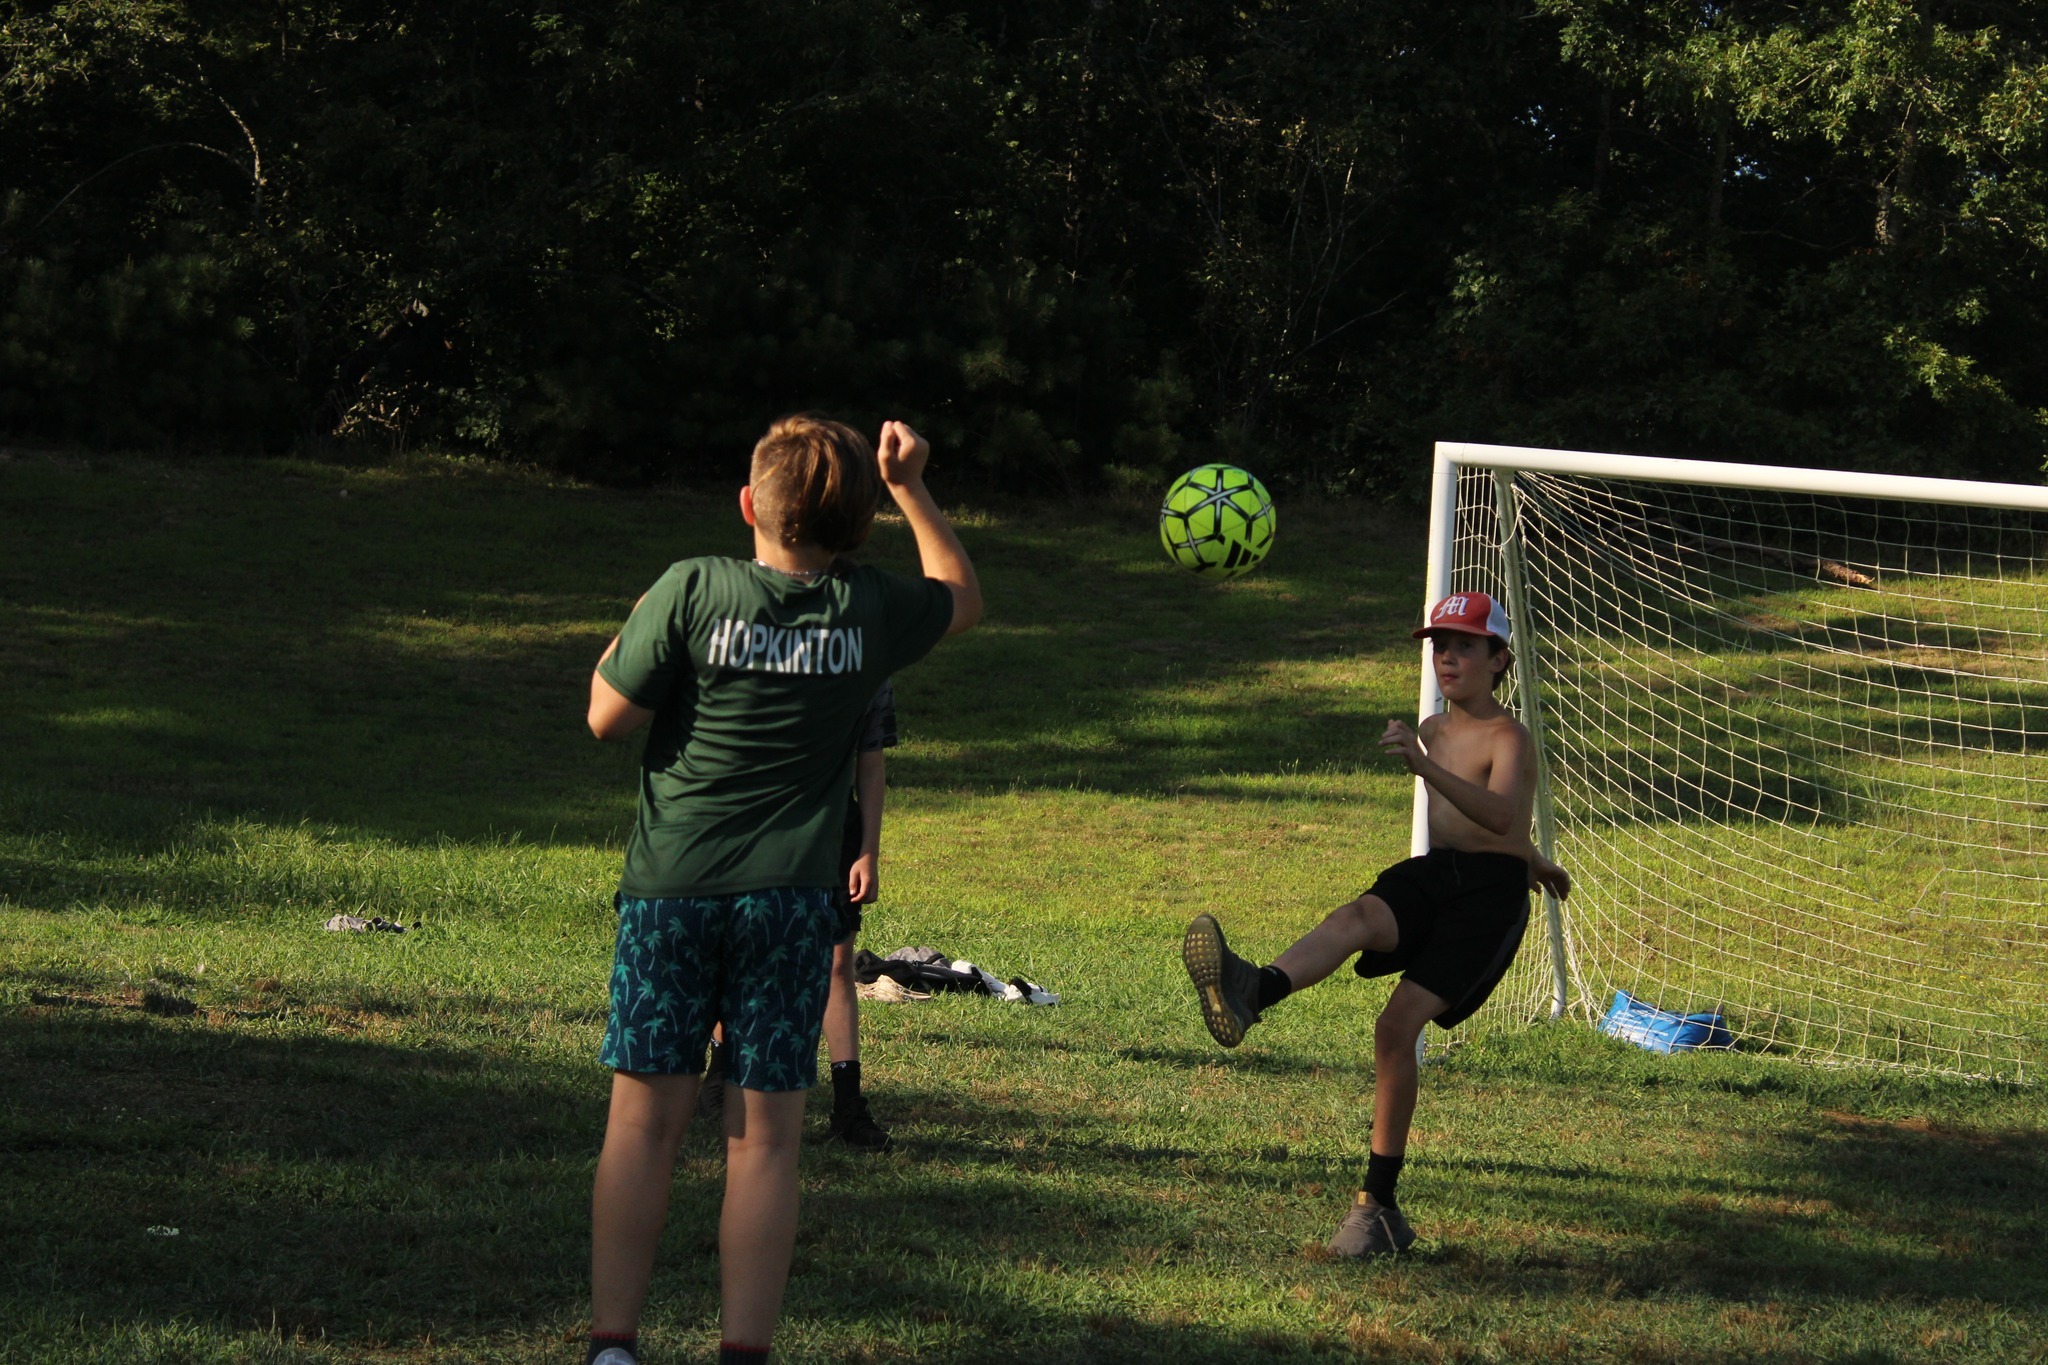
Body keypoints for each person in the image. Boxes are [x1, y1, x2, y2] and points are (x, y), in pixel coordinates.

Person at [583, 416, 980, 1365]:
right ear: (854, 526)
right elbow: (961, 596)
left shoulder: (688, 586)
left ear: (748, 505)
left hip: (671, 893)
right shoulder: (869, 607)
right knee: (764, 1140)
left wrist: (633, 622)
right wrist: (913, 486)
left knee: (642, 1127)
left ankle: (612, 1348)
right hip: (793, 904)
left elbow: (606, 715)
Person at [1181, 590, 1569, 1259]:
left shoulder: (1509, 735)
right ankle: (1254, 989)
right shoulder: (1434, 727)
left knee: (1394, 1028)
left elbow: (1503, 814)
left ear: (1500, 659)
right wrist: (1535, 855)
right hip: (1438, 872)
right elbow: (1485, 821)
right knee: (1358, 913)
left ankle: (1377, 1205)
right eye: (1438, 645)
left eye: (1465, 646)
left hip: (1488, 901)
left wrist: (1523, 857)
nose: (1447, 657)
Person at [700, 676, 899, 1151]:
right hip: (762, 821)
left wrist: (868, 851)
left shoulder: (872, 659)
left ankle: (848, 1107)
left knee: (836, 963)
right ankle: (720, 1070)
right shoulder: (771, 645)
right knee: (744, 949)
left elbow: (870, 764)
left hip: (834, 832)